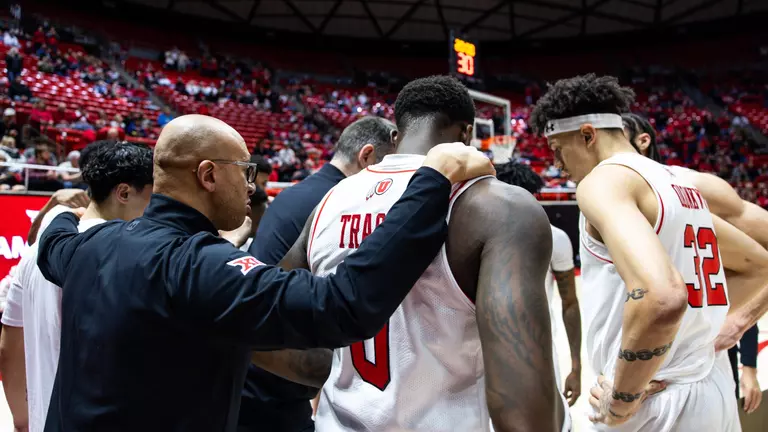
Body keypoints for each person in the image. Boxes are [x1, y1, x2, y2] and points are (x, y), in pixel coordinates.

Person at [35, 114, 494, 431]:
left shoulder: (91, 245)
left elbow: (52, 245)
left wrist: (61, 210)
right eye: (245, 170)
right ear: (208, 175)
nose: (252, 184)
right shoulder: (198, 266)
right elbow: (341, 304)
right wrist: (432, 181)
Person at [281, 76, 568, 431]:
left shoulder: (330, 201)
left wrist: (341, 372)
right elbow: (522, 415)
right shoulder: (499, 206)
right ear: (467, 134)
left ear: (395, 137)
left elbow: (267, 333)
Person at [530, 73, 768, 430]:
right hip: (710, 385)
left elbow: (662, 298)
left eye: (557, 149)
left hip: (656, 401)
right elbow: (758, 265)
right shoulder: (680, 182)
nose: (558, 164)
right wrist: (715, 329)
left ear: (587, 135)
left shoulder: (603, 181)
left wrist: (622, 397)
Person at [240, 116, 397, 432]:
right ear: (366, 156)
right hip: (274, 382)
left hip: (256, 375)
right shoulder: (341, 201)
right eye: (390, 166)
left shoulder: (302, 192)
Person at [0, 141, 154, 432]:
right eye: (152, 197)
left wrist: (22, 421)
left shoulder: (32, 254)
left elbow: (9, 346)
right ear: (123, 193)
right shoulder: (120, 256)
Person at [623, 112, 764, 414]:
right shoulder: (600, 193)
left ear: (643, 141)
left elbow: (744, 273)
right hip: (631, 371)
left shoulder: (690, 185)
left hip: (694, 368)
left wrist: (741, 326)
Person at [495, 161, 582, 406]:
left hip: (538, 346)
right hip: (487, 347)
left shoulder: (554, 237)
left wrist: (576, 367)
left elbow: (569, 303)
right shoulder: (477, 234)